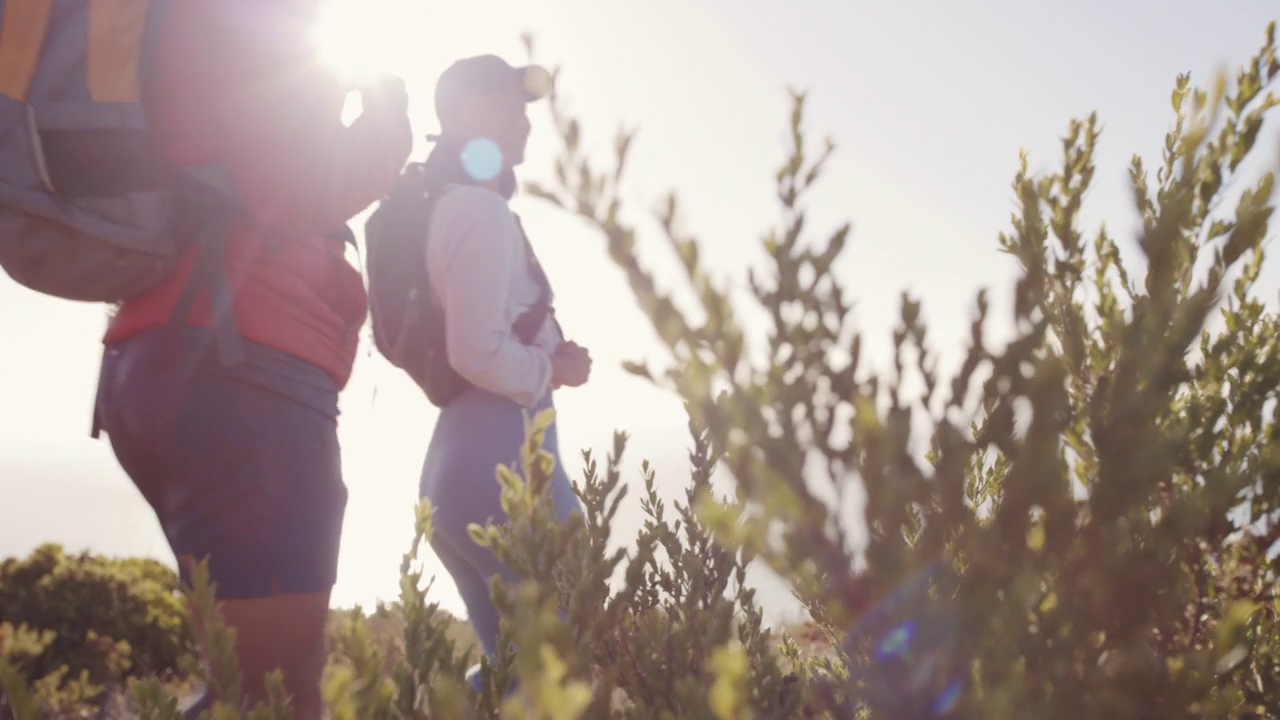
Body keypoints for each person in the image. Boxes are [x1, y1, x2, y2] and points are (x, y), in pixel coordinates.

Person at [89, 2, 413, 717]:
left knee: (247, 685)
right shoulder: (250, 16)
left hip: (160, 359)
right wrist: (389, 125)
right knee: (280, 693)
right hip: (245, 371)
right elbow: (291, 193)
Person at [410, 55, 593, 688]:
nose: (524, 123)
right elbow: (476, 351)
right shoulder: (479, 213)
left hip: (459, 465)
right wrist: (557, 367)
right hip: (503, 461)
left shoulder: (455, 206)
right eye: (506, 107)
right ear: (463, 114)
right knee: (560, 665)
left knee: (510, 675)